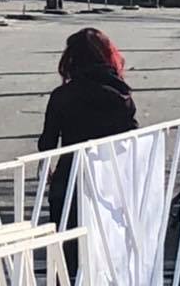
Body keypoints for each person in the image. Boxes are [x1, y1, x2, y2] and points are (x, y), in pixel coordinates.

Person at [37, 28, 138, 275]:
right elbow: (133, 138)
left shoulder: (62, 95)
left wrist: (45, 168)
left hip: (70, 178)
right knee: (108, 253)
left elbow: (48, 142)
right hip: (109, 181)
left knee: (66, 257)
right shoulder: (121, 96)